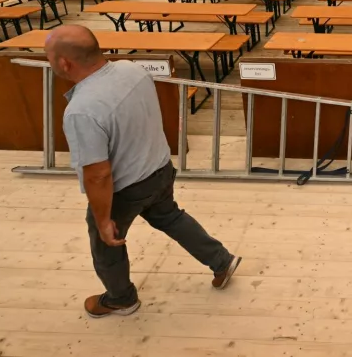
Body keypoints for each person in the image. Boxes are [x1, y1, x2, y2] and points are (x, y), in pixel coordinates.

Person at [44, 26, 240, 318]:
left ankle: (121, 299)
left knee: (107, 242)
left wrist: (102, 219)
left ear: (64, 63)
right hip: (159, 167)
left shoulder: (82, 110)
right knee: (170, 216)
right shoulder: (130, 70)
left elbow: (98, 174)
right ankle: (221, 261)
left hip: (127, 189)